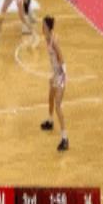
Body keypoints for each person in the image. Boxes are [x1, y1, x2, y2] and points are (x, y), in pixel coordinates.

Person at [40, 16, 68, 151]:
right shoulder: (47, 38)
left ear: (48, 28)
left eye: (44, 25)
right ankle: (50, 121)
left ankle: (65, 138)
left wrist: (61, 77)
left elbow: (61, 59)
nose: (42, 27)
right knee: (50, 97)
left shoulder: (53, 42)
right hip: (55, 73)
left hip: (60, 74)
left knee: (57, 105)